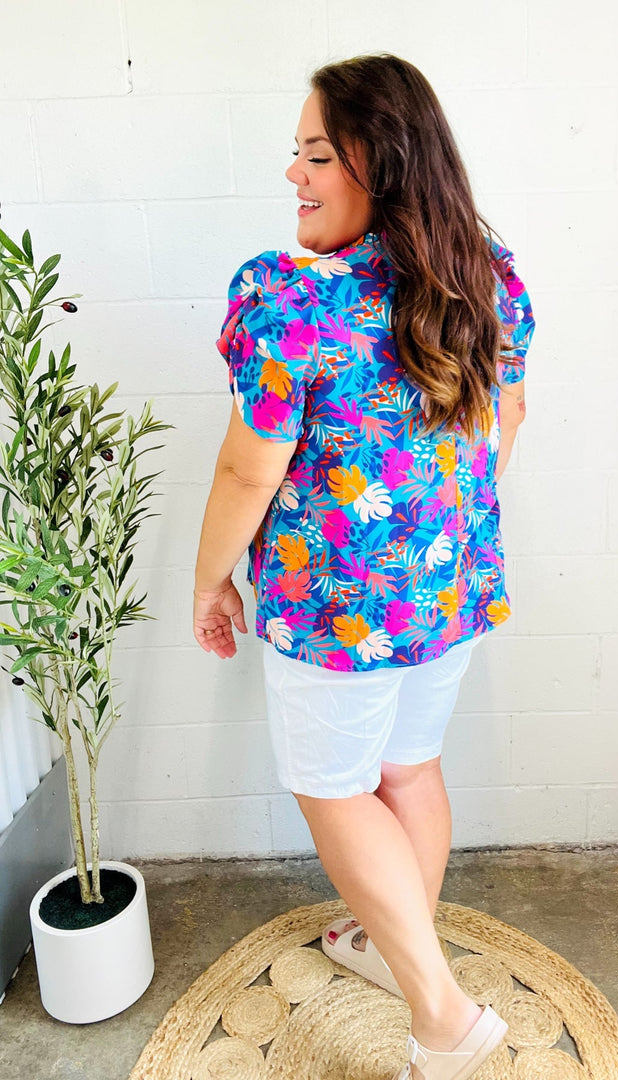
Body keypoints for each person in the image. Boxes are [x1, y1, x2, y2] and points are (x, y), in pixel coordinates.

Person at [193, 53, 535, 1080]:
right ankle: (397, 950)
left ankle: (441, 1014)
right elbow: (507, 416)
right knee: (409, 769)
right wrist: (438, 522)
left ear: (376, 161)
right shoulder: (485, 270)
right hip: (449, 591)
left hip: (336, 608)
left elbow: (248, 469)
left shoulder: (291, 299)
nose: (292, 176)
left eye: (314, 155)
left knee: (333, 787)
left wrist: (210, 580)